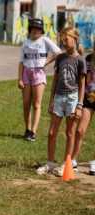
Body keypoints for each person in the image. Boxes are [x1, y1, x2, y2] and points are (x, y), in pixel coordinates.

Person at [36, 27, 86, 176]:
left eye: (66, 39)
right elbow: (55, 80)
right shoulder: (60, 58)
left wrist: (79, 105)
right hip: (58, 97)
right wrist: (51, 100)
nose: (64, 42)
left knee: (70, 133)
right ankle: (51, 163)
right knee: (52, 132)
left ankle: (66, 164)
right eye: (62, 40)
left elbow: (82, 85)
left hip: (72, 98)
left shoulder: (80, 60)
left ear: (75, 39)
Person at [18, 18, 61, 141]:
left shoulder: (45, 40)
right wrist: (19, 79)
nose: (35, 31)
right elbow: (21, 62)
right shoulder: (25, 43)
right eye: (33, 28)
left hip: (38, 73)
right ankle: (27, 128)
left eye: (38, 29)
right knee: (26, 103)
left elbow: (58, 52)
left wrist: (46, 62)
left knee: (36, 104)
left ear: (41, 30)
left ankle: (33, 131)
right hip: (26, 73)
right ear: (30, 29)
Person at [71, 42, 95, 175]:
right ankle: (73, 159)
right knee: (80, 131)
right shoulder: (88, 60)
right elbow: (83, 79)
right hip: (89, 99)